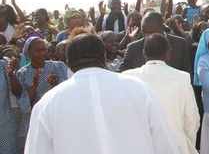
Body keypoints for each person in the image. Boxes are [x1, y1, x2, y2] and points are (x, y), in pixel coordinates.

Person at [24, 33, 180, 154]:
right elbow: (165, 145)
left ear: (69, 64)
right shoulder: (139, 89)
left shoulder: (47, 103)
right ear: (104, 59)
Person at [123, 33, 199, 154]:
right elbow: (191, 118)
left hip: (141, 147)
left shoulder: (127, 77)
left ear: (143, 53)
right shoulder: (182, 77)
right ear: (168, 53)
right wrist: (186, 144)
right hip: (175, 146)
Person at [119, 11, 191, 76]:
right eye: (143, 32)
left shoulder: (180, 44)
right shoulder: (133, 48)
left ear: (162, 28)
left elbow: (187, 73)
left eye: (151, 32)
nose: (147, 36)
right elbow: (121, 74)